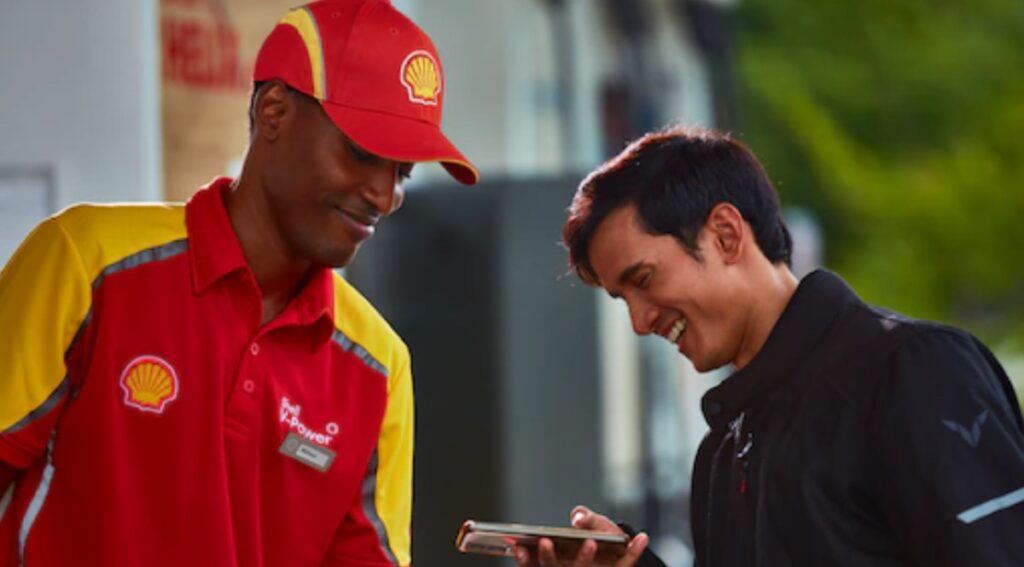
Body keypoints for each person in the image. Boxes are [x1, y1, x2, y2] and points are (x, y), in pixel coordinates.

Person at [0, 1, 477, 565]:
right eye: (363, 152)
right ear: (274, 111)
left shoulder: (380, 366)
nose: (385, 195)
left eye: (403, 172)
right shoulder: (86, 263)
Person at [515, 126, 1024, 567]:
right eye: (622, 298)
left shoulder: (915, 370)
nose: (640, 322)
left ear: (726, 234)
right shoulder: (722, 449)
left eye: (644, 279)